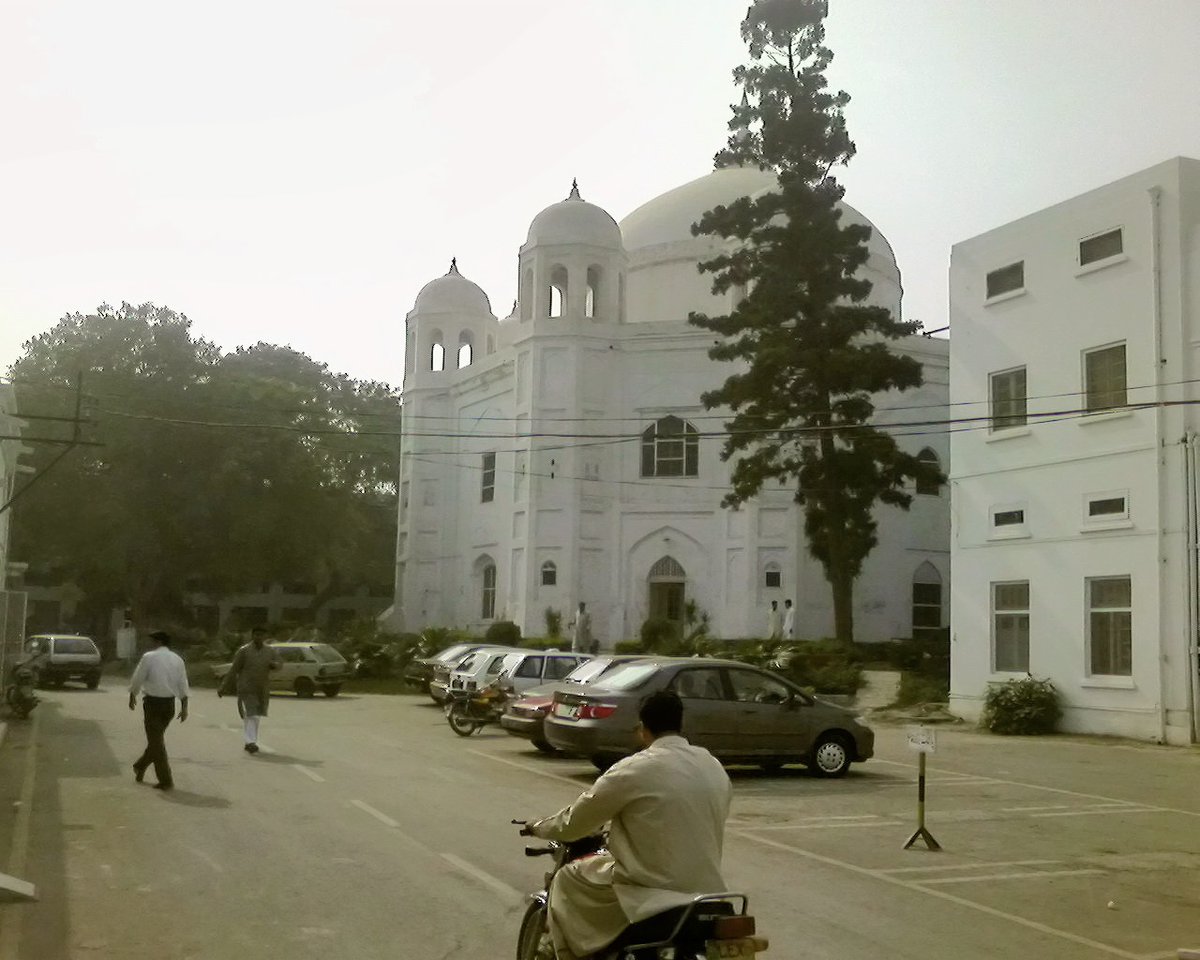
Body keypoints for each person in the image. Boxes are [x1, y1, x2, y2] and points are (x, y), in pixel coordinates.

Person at [526, 691, 732, 960]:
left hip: (649, 891)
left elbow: (573, 824)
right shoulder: (712, 765)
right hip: (709, 891)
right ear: (680, 723)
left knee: (567, 878)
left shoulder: (634, 769)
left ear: (642, 728)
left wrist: (539, 827)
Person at [128, 630, 189, 791]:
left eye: (153, 641)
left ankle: (165, 779)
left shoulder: (149, 657)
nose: (151, 644)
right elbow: (183, 683)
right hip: (169, 705)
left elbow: (138, 677)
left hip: (153, 704)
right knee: (156, 741)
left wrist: (133, 694)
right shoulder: (178, 659)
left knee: (156, 743)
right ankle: (140, 766)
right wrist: (184, 707)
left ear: (158, 642)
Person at [218, 626, 281, 754]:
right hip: (246, 686)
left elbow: (280, 663)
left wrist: (274, 665)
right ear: (252, 636)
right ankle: (251, 742)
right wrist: (223, 686)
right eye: (256, 635)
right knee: (252, 714)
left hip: (262, 687)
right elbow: (234, 669)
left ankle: (250, 741)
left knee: (256, 714)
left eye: (261, 635)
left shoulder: (270, 651)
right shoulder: (244, 651)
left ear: (264, 637)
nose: (258, 637)